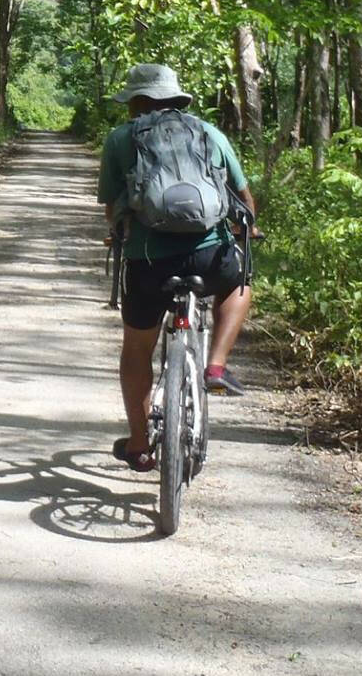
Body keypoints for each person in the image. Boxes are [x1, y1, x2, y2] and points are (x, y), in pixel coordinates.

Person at [98, 62, 255, 472]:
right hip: (209, 254)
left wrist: (117, 232)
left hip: (148, 261)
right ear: (176, 99)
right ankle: (216, 365)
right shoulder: (208, 132)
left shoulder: (119, 139)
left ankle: (138, 443)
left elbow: (112, 207)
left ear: (135, 102)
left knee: (136, 348)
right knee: (240, 287)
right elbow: (242, 197)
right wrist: (245, 232)